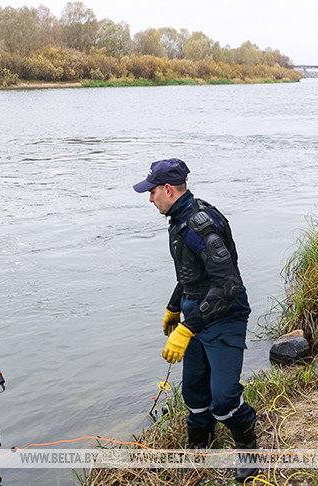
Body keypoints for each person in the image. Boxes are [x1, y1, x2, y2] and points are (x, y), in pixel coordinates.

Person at [134, 158, 259, 482]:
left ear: (168, 189)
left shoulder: (200, 224)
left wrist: (187, 328)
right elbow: (192, 274)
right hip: (195, 314)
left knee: (224, 399)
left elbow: (228, 285)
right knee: (194, 393)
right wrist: (174, 307)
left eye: (151, 192)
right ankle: (199, 445)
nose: (150, 199)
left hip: (224, 316)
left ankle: (248, 446)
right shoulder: (178, 220)